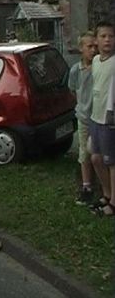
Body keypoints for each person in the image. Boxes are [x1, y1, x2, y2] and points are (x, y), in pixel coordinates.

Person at [89, 21, 115, 216]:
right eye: (103, 36)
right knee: (95, 157)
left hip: (109, 120)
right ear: (96, 40)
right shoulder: (96, 61)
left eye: (111, 36)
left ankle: (113, 203)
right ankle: (106, 193)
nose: (107, 40)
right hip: (94, 117)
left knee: (111, 161)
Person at [68, 31, 97, 205]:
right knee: (84, 153)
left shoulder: (100, 67)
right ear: (81, 49)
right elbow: (73, 91)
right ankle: (87, 186)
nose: (93, 50)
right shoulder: (75, 70)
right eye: (89, 46)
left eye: (95, 46)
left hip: (100, 117)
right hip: (84, 117)